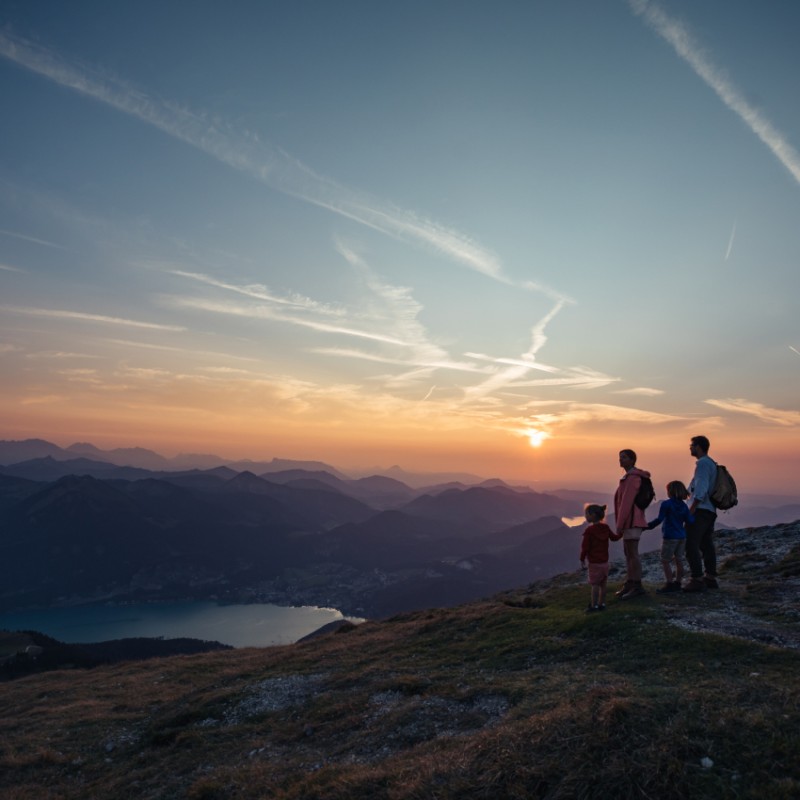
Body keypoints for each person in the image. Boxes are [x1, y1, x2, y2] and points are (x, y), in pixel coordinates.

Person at [613, 448, 651, 600]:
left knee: (632, 554)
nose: (620, 460)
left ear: (632, 460)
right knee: (628, 553)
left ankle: (636, 586)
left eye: (624, 457)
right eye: (620, 457)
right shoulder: (630, 477)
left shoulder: (632, 478)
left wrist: (619, 524)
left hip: (631, 521)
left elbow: (626, 503)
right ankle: (630, 583)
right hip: (631, 521)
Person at [684, 435, 718, 592]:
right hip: (709, 510)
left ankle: (697, 579)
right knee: (706, 544)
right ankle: (710, 578)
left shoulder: (703, 464)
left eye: (692, 445)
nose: (690, 448)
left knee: (691, 544)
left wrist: (691, 510)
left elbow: (701, 490)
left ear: (698, 446)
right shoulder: (711, 463)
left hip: (701, 510)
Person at [646, 480, 693, 593]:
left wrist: (647, 526)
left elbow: (660, 519)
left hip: (670, 536)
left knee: (665, 560)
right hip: (682, 536)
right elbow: (690, 520)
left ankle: (669, 584)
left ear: (670, 491)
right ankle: (678, 583)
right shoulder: (684, 506)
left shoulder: (666, 504)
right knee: (679, 560)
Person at [580, 504, 620, 612]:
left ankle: (594, 606)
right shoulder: (606, 528)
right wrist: (622, 533)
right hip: (605, 563)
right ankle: (602, 604)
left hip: (594, 563)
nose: (585, 517)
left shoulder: (589, 531)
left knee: (595, 585)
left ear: (592, 515)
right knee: (603, 585)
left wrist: (582, 558)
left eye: (586, 514)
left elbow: (585, 547)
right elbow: (614, 538)